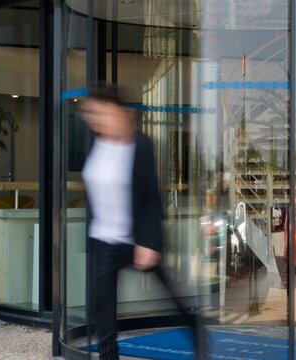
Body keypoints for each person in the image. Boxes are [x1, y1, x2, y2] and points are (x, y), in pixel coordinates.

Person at [81, 84, 203, 360]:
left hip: (137, 238)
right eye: (90, 114)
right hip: (103, 238)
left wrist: (149, 242)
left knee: (170, 292)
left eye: (97, 112)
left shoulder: (140, 144)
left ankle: (195, 329)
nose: (92, 118)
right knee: (104, 310)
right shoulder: (95, 142)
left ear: (113, 110)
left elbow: (151, 198)